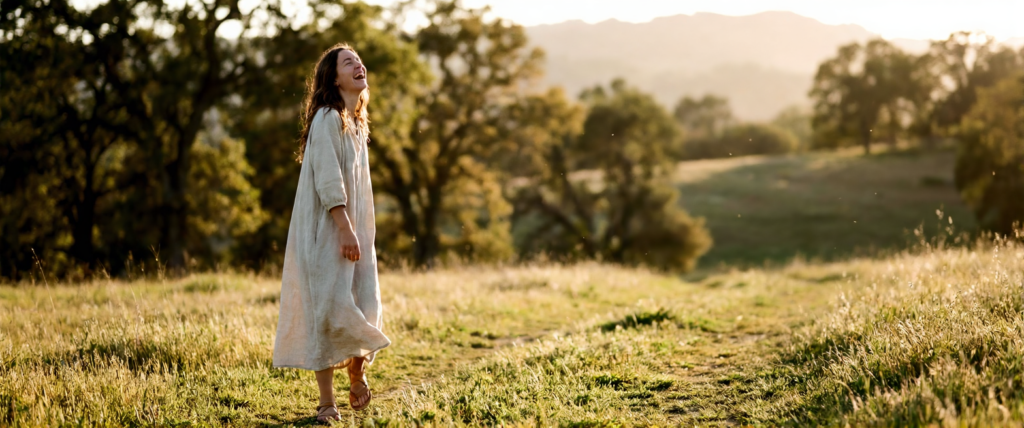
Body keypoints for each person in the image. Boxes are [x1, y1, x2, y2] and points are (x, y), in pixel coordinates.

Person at [272, 43, 390, 423]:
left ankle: (357, 371)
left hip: (354, 231)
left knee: (364, 303)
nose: (358, 64)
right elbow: (328, 179)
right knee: (325, 311)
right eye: (347, 62)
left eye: (358, 60)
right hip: (328, 231)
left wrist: (358, 233)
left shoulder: (356, 122)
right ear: (333, 77)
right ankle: (327, 403)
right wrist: (344, 229)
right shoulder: (327, 117)